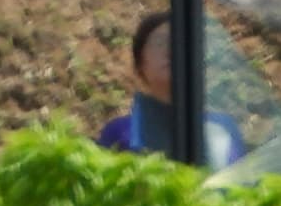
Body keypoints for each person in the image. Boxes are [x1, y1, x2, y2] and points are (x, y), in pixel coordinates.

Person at [97, 9, 242, 165]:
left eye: (181, 43)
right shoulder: (120, 132)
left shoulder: (222, 128)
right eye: (160, 43)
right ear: (140, 66)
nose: (171, 51)